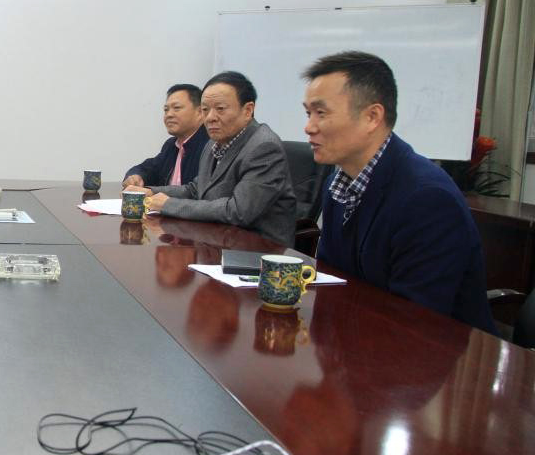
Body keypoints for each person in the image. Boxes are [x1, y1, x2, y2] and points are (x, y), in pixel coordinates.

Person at [302, 50, 494, 332]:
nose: (308, 127)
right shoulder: (338, 183)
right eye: (308, 113)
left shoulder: (427, 199)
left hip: (436, 350)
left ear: (372, 116)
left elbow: (416, 321)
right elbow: (331, 278)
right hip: (358, 335)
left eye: (321, 113)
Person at [138, 72, 297, 247]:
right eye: (205, 110)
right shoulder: (214, 143)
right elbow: (196, 190)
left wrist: (168, 205)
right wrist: (150, 192)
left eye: (220, 109)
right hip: (215, 243)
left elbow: (237, 212)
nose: (210, 117)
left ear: (248, 110)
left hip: (257, 251)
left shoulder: (264, 147)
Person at [122, 84, 209, 188]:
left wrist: (154, 192)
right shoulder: (171, 145)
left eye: (176, 108)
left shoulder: (210, 146)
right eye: (166, 110)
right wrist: (136, 176)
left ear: (200, 112)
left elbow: (195, 191)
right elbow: (149, 168)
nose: (169, 114)